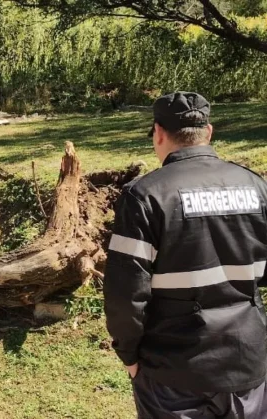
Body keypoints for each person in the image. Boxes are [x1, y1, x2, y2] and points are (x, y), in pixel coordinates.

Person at [103, 91, 267, 419]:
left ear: (158, 133)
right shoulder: (256, 187)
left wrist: (129, 356)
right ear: (208, 132)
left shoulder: (144, 196)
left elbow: (124, 295)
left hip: (173, 373)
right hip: (247, 362)